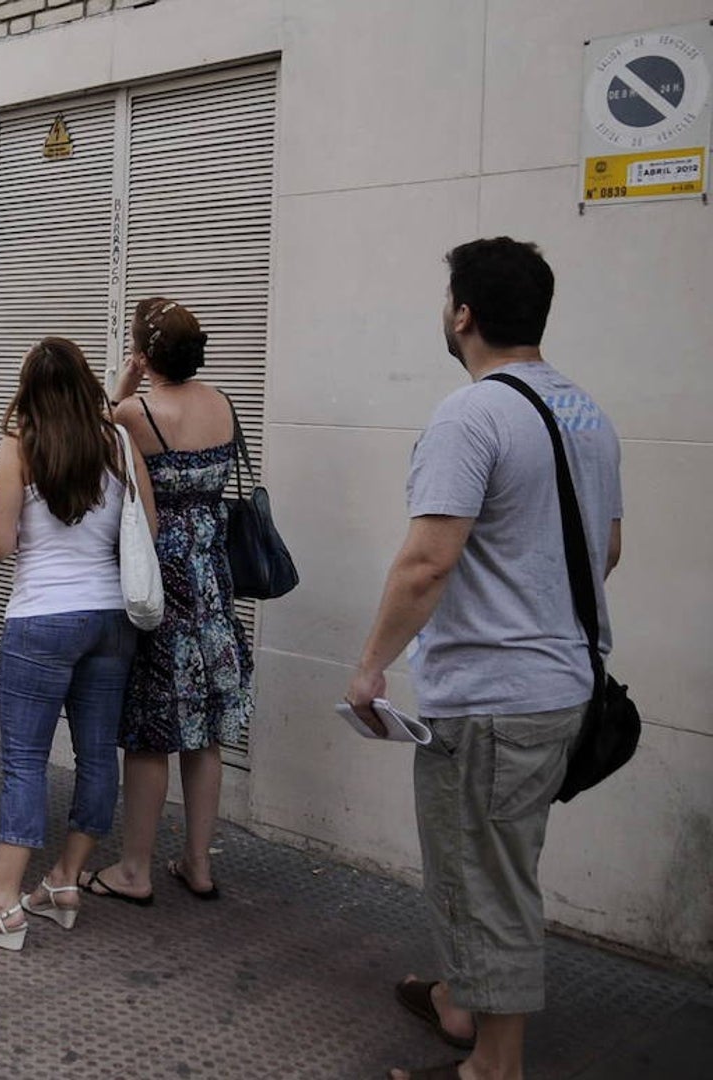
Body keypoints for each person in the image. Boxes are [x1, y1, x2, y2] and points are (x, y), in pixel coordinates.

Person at [346, 239, 622, 1080]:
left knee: (485, 875)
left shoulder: (470, 415)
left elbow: (427, 562)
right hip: (563, 686)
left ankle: (491, 1066)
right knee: (499, 860)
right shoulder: (585, 413)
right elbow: (606, 549)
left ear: (463, 314)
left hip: (494, 698)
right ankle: (463, 999)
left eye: (447, 299)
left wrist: (369, 668)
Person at [0, 337, 154, 950]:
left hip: (41, 618)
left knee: (25, 762)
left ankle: (1, 906)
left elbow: (1, 543)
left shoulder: (22, 444)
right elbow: (151, 523)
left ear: (28, 390)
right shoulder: (117, 440)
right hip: (111, 617)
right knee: (96, 756)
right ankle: (65, 878)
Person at [89, 297, 251, 905]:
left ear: (145, 353)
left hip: (164, 579)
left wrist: (120, 387)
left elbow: (92, 442)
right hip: (214, 579)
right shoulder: (223, 404)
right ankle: (199, 864)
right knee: (204, 731)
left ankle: (134, 869)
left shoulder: (136, 413)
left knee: (153, 730)